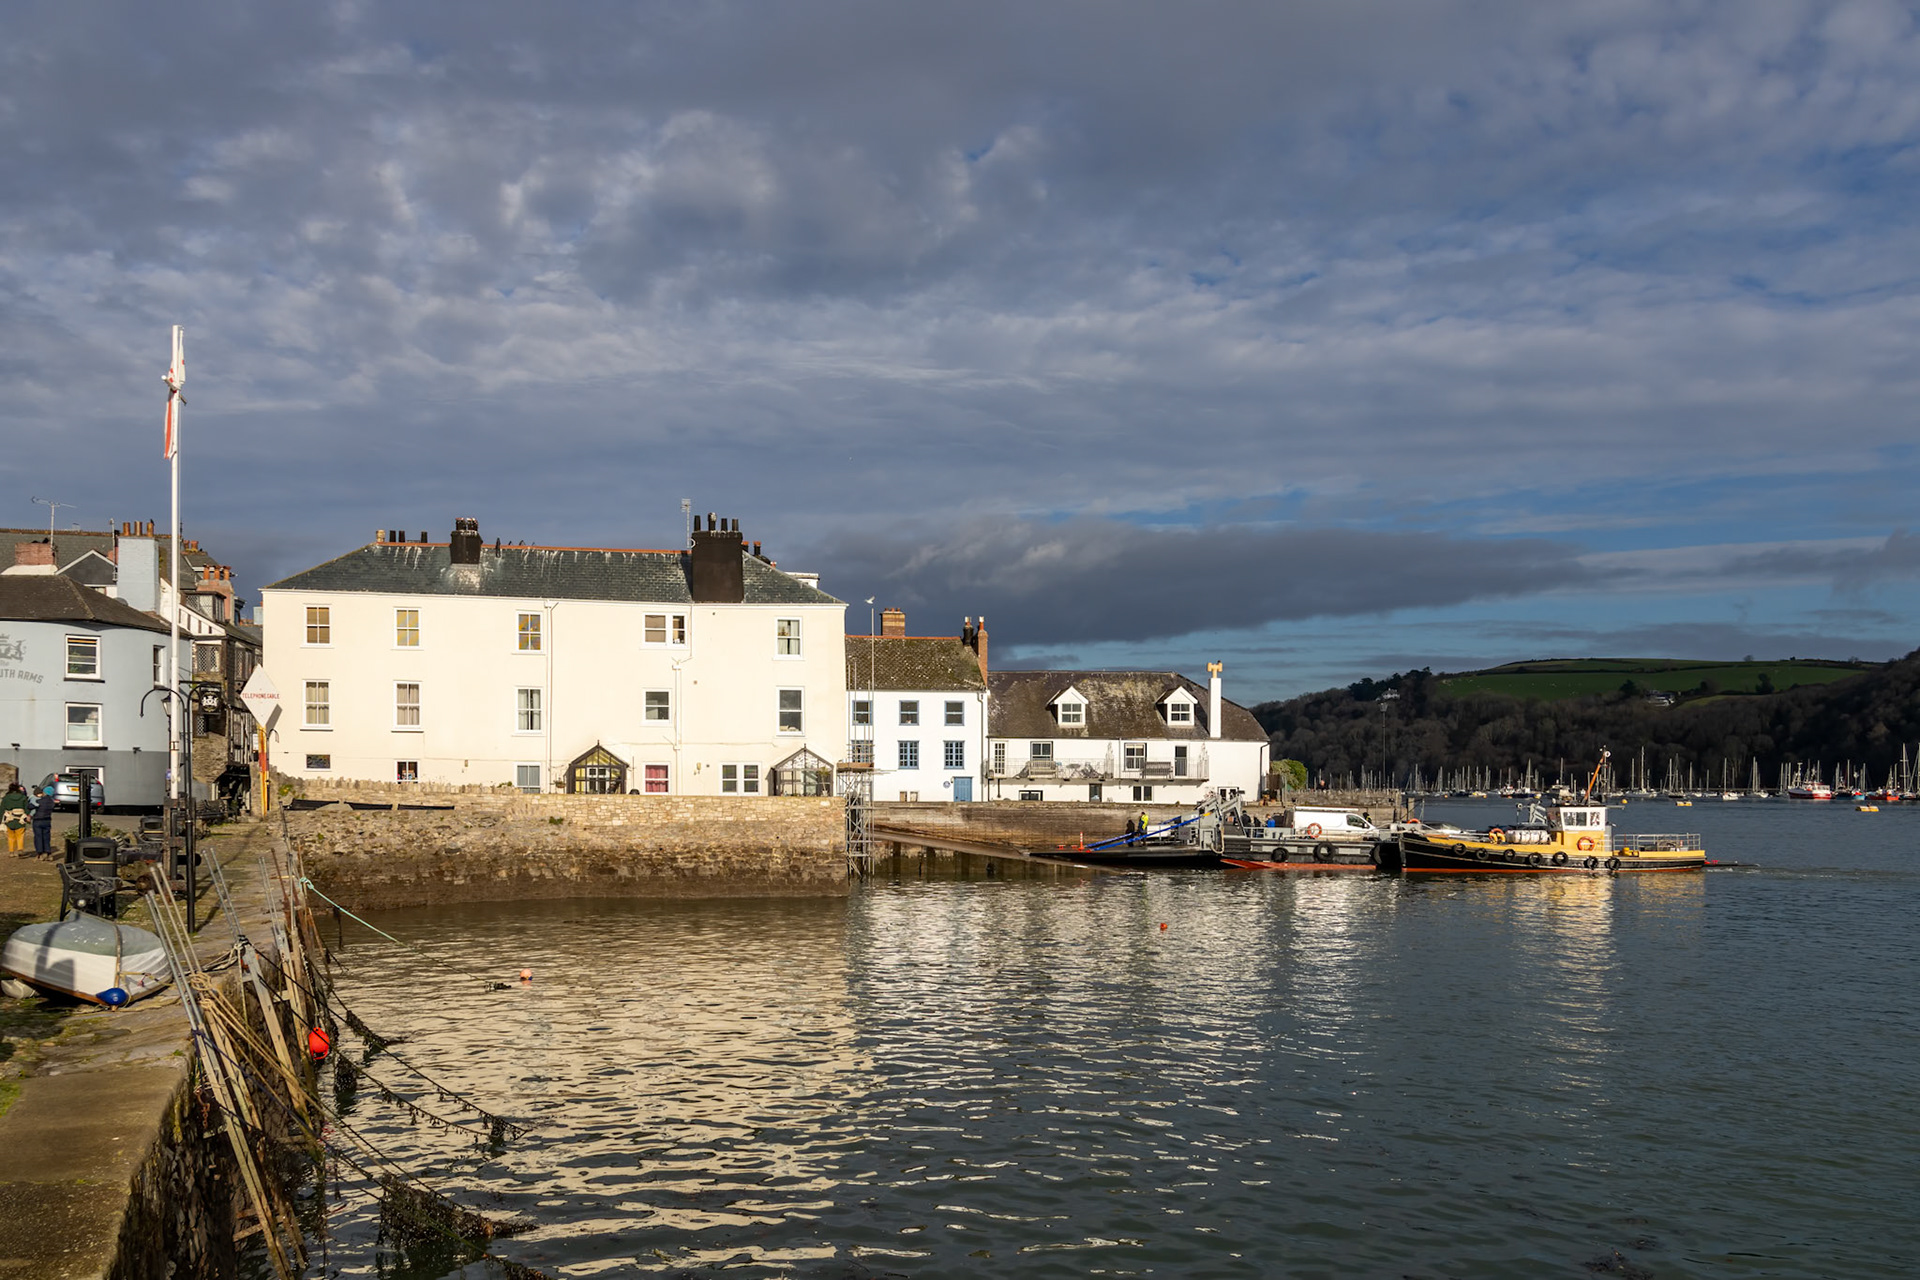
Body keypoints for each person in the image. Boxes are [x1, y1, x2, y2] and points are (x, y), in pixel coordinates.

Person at [2, 781, 29, 855]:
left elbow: (1, 809)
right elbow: (27, 809)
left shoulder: (6, 798)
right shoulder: (23, 798)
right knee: (20, 835)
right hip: (21, 819)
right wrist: (28, 816)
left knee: (10, 836)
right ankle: (20, 849)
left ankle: (11, 852)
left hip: (9, 819)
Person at [31, 783, 56, 856]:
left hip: (38, 819)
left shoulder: (39, 801)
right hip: (47, 820)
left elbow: (30, 806)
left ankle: (40, 851)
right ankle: (47, 850)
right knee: (46, 836)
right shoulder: (51, 802)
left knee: (38, 836)